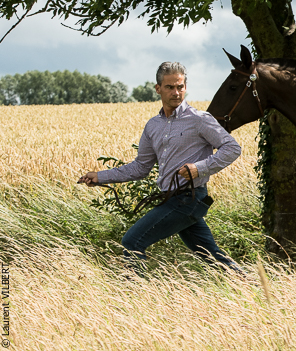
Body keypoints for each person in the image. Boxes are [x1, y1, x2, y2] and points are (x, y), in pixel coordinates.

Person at [78, 62, 242, 276]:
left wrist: (199, 168)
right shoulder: (153, 125)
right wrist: (100, 176)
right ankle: (249, 284)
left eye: (180, 87)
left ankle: (134, 291)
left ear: (185, 87)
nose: (176, 92)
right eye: (169, 87)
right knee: (211, 255)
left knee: (132, 241)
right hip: (171, 198)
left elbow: (232, 148)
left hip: (190, 198)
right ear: (158, 89)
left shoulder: (200, 119)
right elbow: (140, 167)